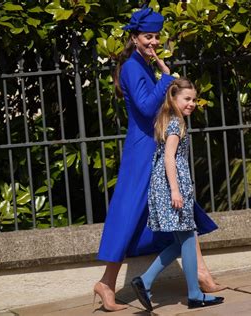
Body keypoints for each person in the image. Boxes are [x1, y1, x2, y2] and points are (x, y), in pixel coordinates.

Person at [93, 7, 225, 312]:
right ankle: (107, 284)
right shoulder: (131, 67)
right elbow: (144, 108)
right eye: (147, 37)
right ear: (135, 38)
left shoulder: (142, 64)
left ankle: (200, 275)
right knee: (128, 218)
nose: (153, 42)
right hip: (142, 150)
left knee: (184, 211)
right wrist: (167, 79)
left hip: (152, 145)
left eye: (156, 37)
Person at [131, 78, 224, 311]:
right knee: (188, 239)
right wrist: (175, 190)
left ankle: (145, 281)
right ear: (173, 99)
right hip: (172, 187)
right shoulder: (175, 124)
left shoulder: (171, 120)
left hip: (168, 186)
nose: (191, 103)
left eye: (194, 99)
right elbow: (168, 158)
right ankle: (193, 294)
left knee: (182, 241)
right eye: (187, 99)